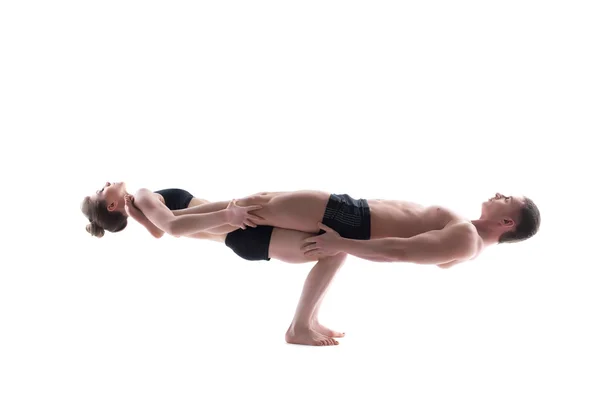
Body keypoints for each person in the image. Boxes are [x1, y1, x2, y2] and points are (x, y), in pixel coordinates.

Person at [80, 182, 346, 346]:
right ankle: (299, 326)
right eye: (100, 190)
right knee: (335, 249)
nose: (105, 183)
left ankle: (309, 321)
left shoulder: (139, 204)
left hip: (241, 235)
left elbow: (162, 229)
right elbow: (173, 226)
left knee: (335, 248)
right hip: (243, 230)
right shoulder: (141, 194)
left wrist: (138, 218)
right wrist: (228, 213)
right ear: (112, 204)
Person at [175, 190, 541, 268]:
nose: (499, 193)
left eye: (508, 198)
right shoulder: (466, 234)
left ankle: (171, 223)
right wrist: (343, 244)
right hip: (353, 219)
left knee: (250, 207)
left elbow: (398, 251)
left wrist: (342, 241)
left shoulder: (465, 239)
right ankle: (302, 325)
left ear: (507, 222)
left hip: (351, 219)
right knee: (252, 207)